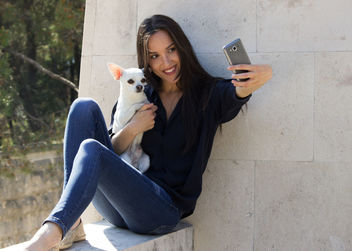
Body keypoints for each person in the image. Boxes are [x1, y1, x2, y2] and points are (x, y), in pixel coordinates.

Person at [22, 14, 272, 250]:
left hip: (159, 212)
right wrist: (133, 129)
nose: (166, 62)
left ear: (182, 47)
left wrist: (259, 78)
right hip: (119, 205)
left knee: (90, 148)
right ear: (146, 60)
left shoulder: (207, 93)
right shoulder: (142, 93)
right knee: (83, 107)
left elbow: (235, 93)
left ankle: (53, 230)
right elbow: (109, 153)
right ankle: (71, 224)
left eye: (171, 50)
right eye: (154, 55)